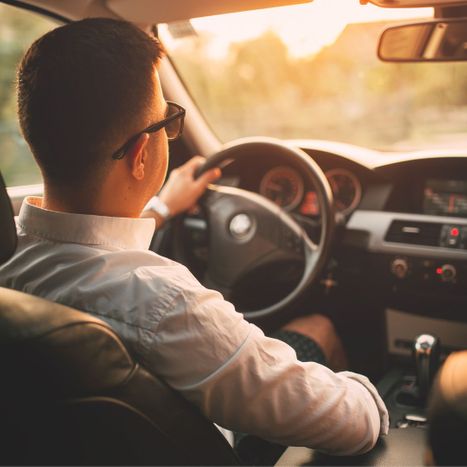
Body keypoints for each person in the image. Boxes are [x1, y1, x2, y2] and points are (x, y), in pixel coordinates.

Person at [0, 18, 388, 456]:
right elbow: (352, 425)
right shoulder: (164, 303)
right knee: (318, 328)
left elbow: (85, 245)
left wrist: (163, 208)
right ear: (141, 154)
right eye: (168, 119)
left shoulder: (10, 257)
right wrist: (378, 396)